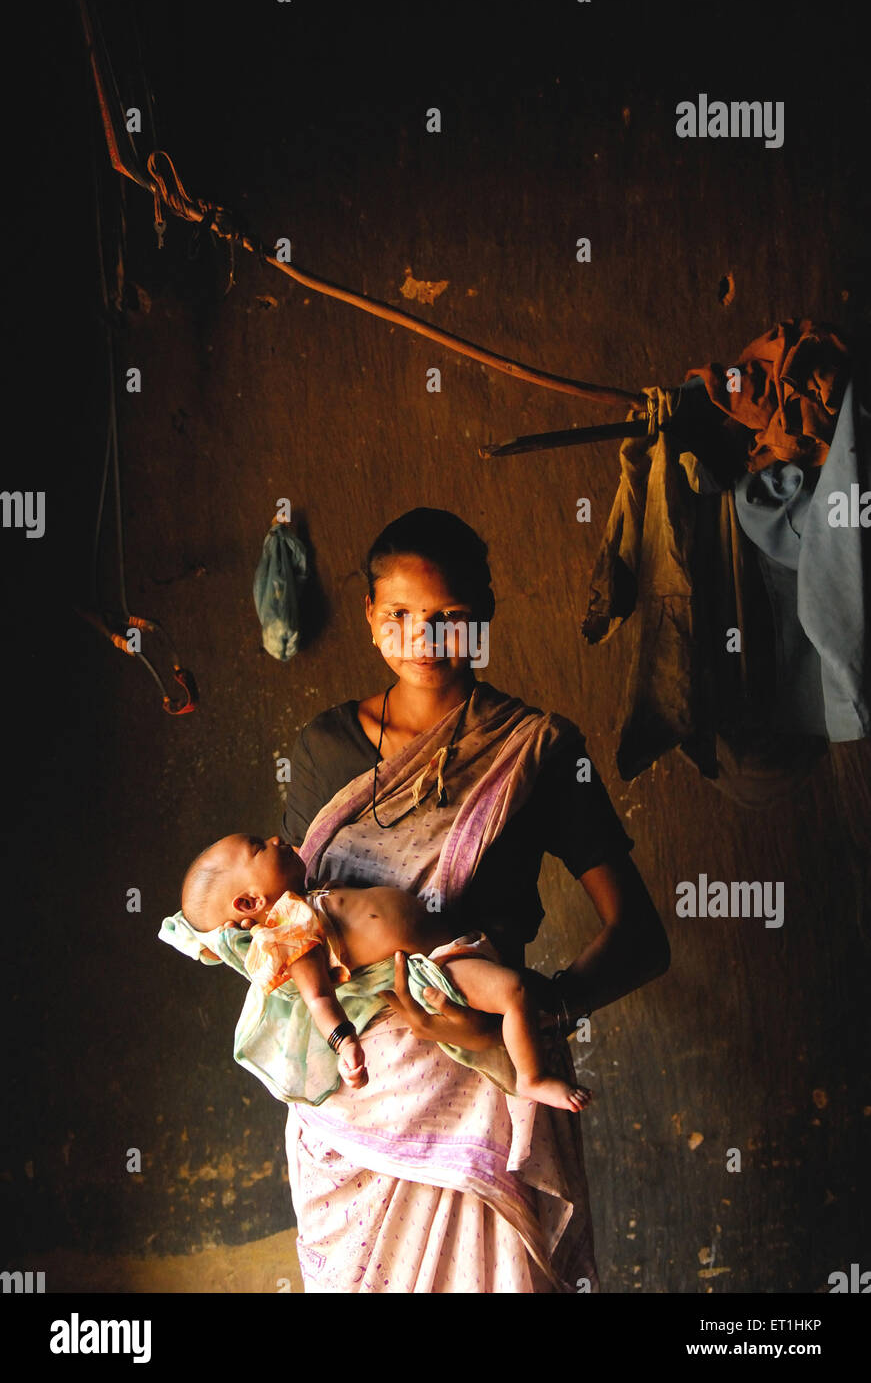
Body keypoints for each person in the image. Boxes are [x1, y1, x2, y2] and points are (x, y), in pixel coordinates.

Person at [280, 507, 670, 1293]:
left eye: (450, 618)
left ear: (485, 614)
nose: (424, 640)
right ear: (368, 618)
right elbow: (289, 928)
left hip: (481, 1093)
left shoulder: (538, 751)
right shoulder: (321, 751)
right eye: (400, 616)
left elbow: (639, 938)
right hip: (348, 1107)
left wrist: (528, 1012)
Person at [170, 831, 595, 1110]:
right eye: (258, 847)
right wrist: (344, 1043)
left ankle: (536, 1052)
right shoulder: (289, 934)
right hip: (431, 972)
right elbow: (319, 997)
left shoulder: (316, 893)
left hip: (453, 946)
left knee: (534, 998)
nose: (275, 837)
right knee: (516, 993)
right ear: (248, 904)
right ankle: (532, 1078)